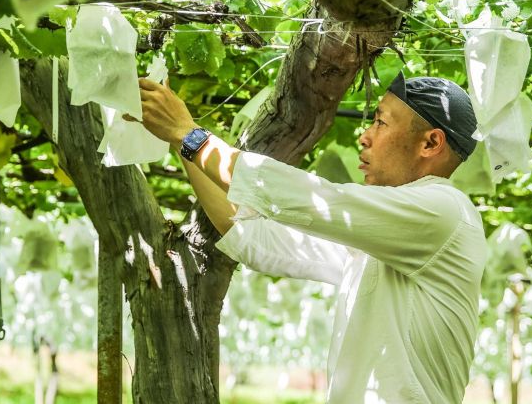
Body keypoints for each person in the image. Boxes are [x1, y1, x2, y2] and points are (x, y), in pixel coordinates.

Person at [131, 73, 486, 404]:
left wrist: (190, 134)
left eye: (381, 122)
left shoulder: (444, 210)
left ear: (430, 143)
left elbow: (312, 199)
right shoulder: (388, 238)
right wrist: (181, 139)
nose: (365, 136)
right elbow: (253, 235)